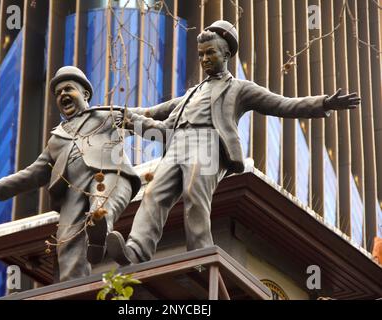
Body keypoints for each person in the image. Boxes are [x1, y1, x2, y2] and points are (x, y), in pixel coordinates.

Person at [105, 20, 361, 266]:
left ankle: (199, 254)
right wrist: (112, 114)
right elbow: (150, 113)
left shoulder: (239, 88)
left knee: (195, 193)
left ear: (226, 54)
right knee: (153, 193)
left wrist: (324, 103)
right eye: (201, 54)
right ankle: (137, 249)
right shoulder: (190, 95)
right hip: (176, 145)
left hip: (207, 144)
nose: (204, 59)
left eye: (211, 53)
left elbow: (282, 104)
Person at [0, 66, 171, 282]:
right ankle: (74, 284)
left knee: (100, 205)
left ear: (85, 94)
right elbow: (33, 173)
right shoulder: (56, 139)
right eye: (58, 93)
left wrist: (174, 130)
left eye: (68, 89)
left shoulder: (105, 115)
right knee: (66, 240)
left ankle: (99, 230)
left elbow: (147, 120)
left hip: (108, 174)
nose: (62, 95)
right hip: (72, 193)